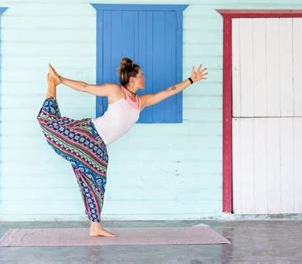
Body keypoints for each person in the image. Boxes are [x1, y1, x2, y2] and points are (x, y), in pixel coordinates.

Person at [36, 57, 208, 238]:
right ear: (132, 78)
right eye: (142, 75)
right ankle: (52, 83)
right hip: (89, 134)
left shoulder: (141, 102)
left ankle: (95, 227)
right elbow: (86, 87)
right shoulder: (116, 91)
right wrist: (61, 80)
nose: (145, 79)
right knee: (49, 122)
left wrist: (191, 80)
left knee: (97, 185)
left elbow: (168, 91)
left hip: (99, 148)